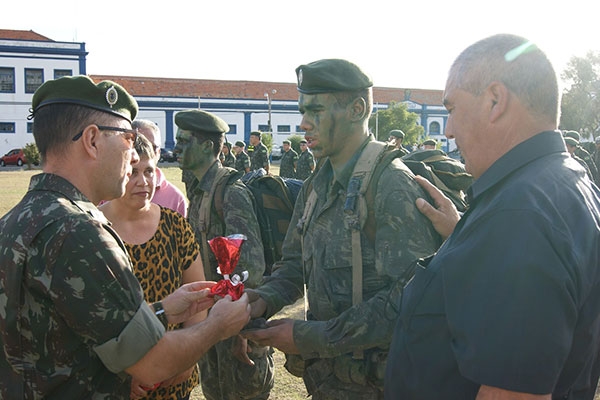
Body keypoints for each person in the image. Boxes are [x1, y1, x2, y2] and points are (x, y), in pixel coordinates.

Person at [0, 76, 252, 399]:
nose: (134, 157)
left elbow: (73, 329)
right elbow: (153, 362)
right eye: (129, 139)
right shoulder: (81, 233)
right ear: (92, 140)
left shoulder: (14, 222)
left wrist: (161, 310)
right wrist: (217, 325)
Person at [385, 34, 600, 400]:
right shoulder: (565, 177)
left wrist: (497, 235)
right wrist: (465, 234)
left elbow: (513, 392)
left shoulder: (519, 217)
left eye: (451, 108)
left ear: (495, 101)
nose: (448, 130)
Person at [242, 59, 440, 399]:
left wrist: (308, 337)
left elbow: (408, 301)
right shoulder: (316, 185)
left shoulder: (391, 185)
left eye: (315, 111)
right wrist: (259, 302)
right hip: (328, 384)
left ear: (357, 109)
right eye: (303, 111)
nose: (303, 123)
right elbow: (293, 265)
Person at [175, 110, 274, 400]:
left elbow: (250, 268)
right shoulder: (199, 190)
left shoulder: (229, 192)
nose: (177, 147)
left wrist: (240, 330)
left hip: (235, 327)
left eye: (185, 141)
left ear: (207, 147)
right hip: (211, 323)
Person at [100, 135, 206, 400]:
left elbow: (198, 298)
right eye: (132, 172)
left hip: (174, 376)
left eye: (149, 171)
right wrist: (126, 374)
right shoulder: (94, 229)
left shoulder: (175, 226)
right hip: (113, 380)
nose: (143, 181)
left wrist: (184, 359)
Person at [132, 119, 188, 217]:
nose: (144, 151)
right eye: (137, 145)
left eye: (151, 147)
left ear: (158, 153)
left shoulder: (175, 199)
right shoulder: (108, 192)